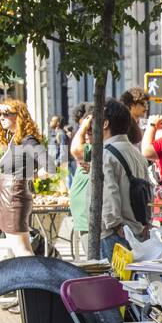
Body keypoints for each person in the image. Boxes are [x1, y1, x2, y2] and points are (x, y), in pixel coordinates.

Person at [0, 99, 46, 258]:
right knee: (20, 248)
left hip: (15, 194)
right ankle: (28, 281)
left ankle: (31, 281)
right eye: (0, 115)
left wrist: (28, 177)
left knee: (22, 250)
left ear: (19, 116)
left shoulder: (27, 140)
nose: (1, 118)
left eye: (6, 114)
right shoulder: (13, 138)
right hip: (10, 194)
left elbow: (49, 166)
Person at [99, 98, 152, 261]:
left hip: (115, 234)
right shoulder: (136, 153)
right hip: (137, 231)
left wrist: (114, 225)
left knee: (113, 283)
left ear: (105, 123)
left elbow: (109, 193)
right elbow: (149, 190)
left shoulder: (106, 154)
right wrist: (146, 223)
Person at [67, 104, 95, 254]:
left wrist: (84, 125)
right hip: (84, 219)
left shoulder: (94, 149)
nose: (85, 135)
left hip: (88, 219)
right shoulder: (90, 150)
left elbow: (75, 149)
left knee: (95, 263)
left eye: (89, 132)